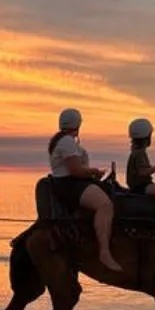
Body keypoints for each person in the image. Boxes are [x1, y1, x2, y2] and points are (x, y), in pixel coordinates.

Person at [48, 108, 123, 272]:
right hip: (70, 185)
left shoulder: (62, 141)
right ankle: (104, 251)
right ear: (77, 124)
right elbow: (75, 170)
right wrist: (94, 171)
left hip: (71, 183)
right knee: (105, 206)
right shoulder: (67, 142)